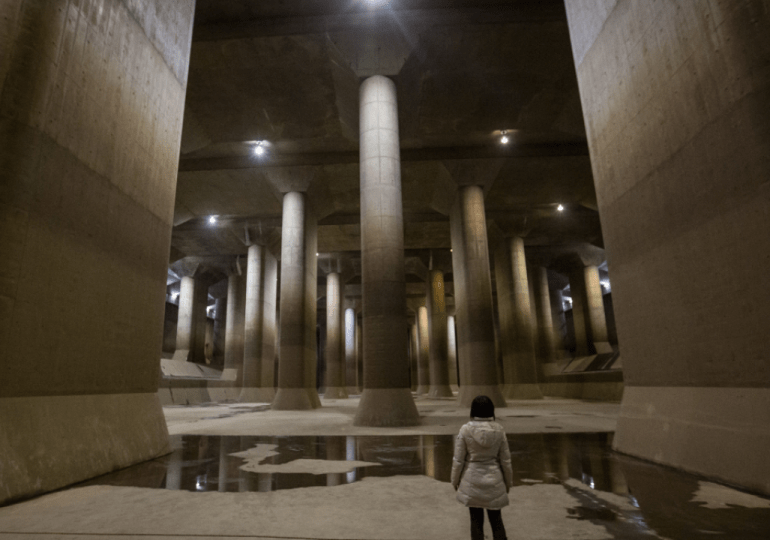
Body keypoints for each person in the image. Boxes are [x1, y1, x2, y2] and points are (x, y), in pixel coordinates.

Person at [451, 395, 513, 540]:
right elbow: (506, 461)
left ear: (472, 411)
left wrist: (454, 481)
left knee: (476, 520)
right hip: (494, 481)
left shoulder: (465, 430)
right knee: (496, 520)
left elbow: (458, 460)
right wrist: (508, 482)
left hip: (472, 481)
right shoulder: (499, 430)